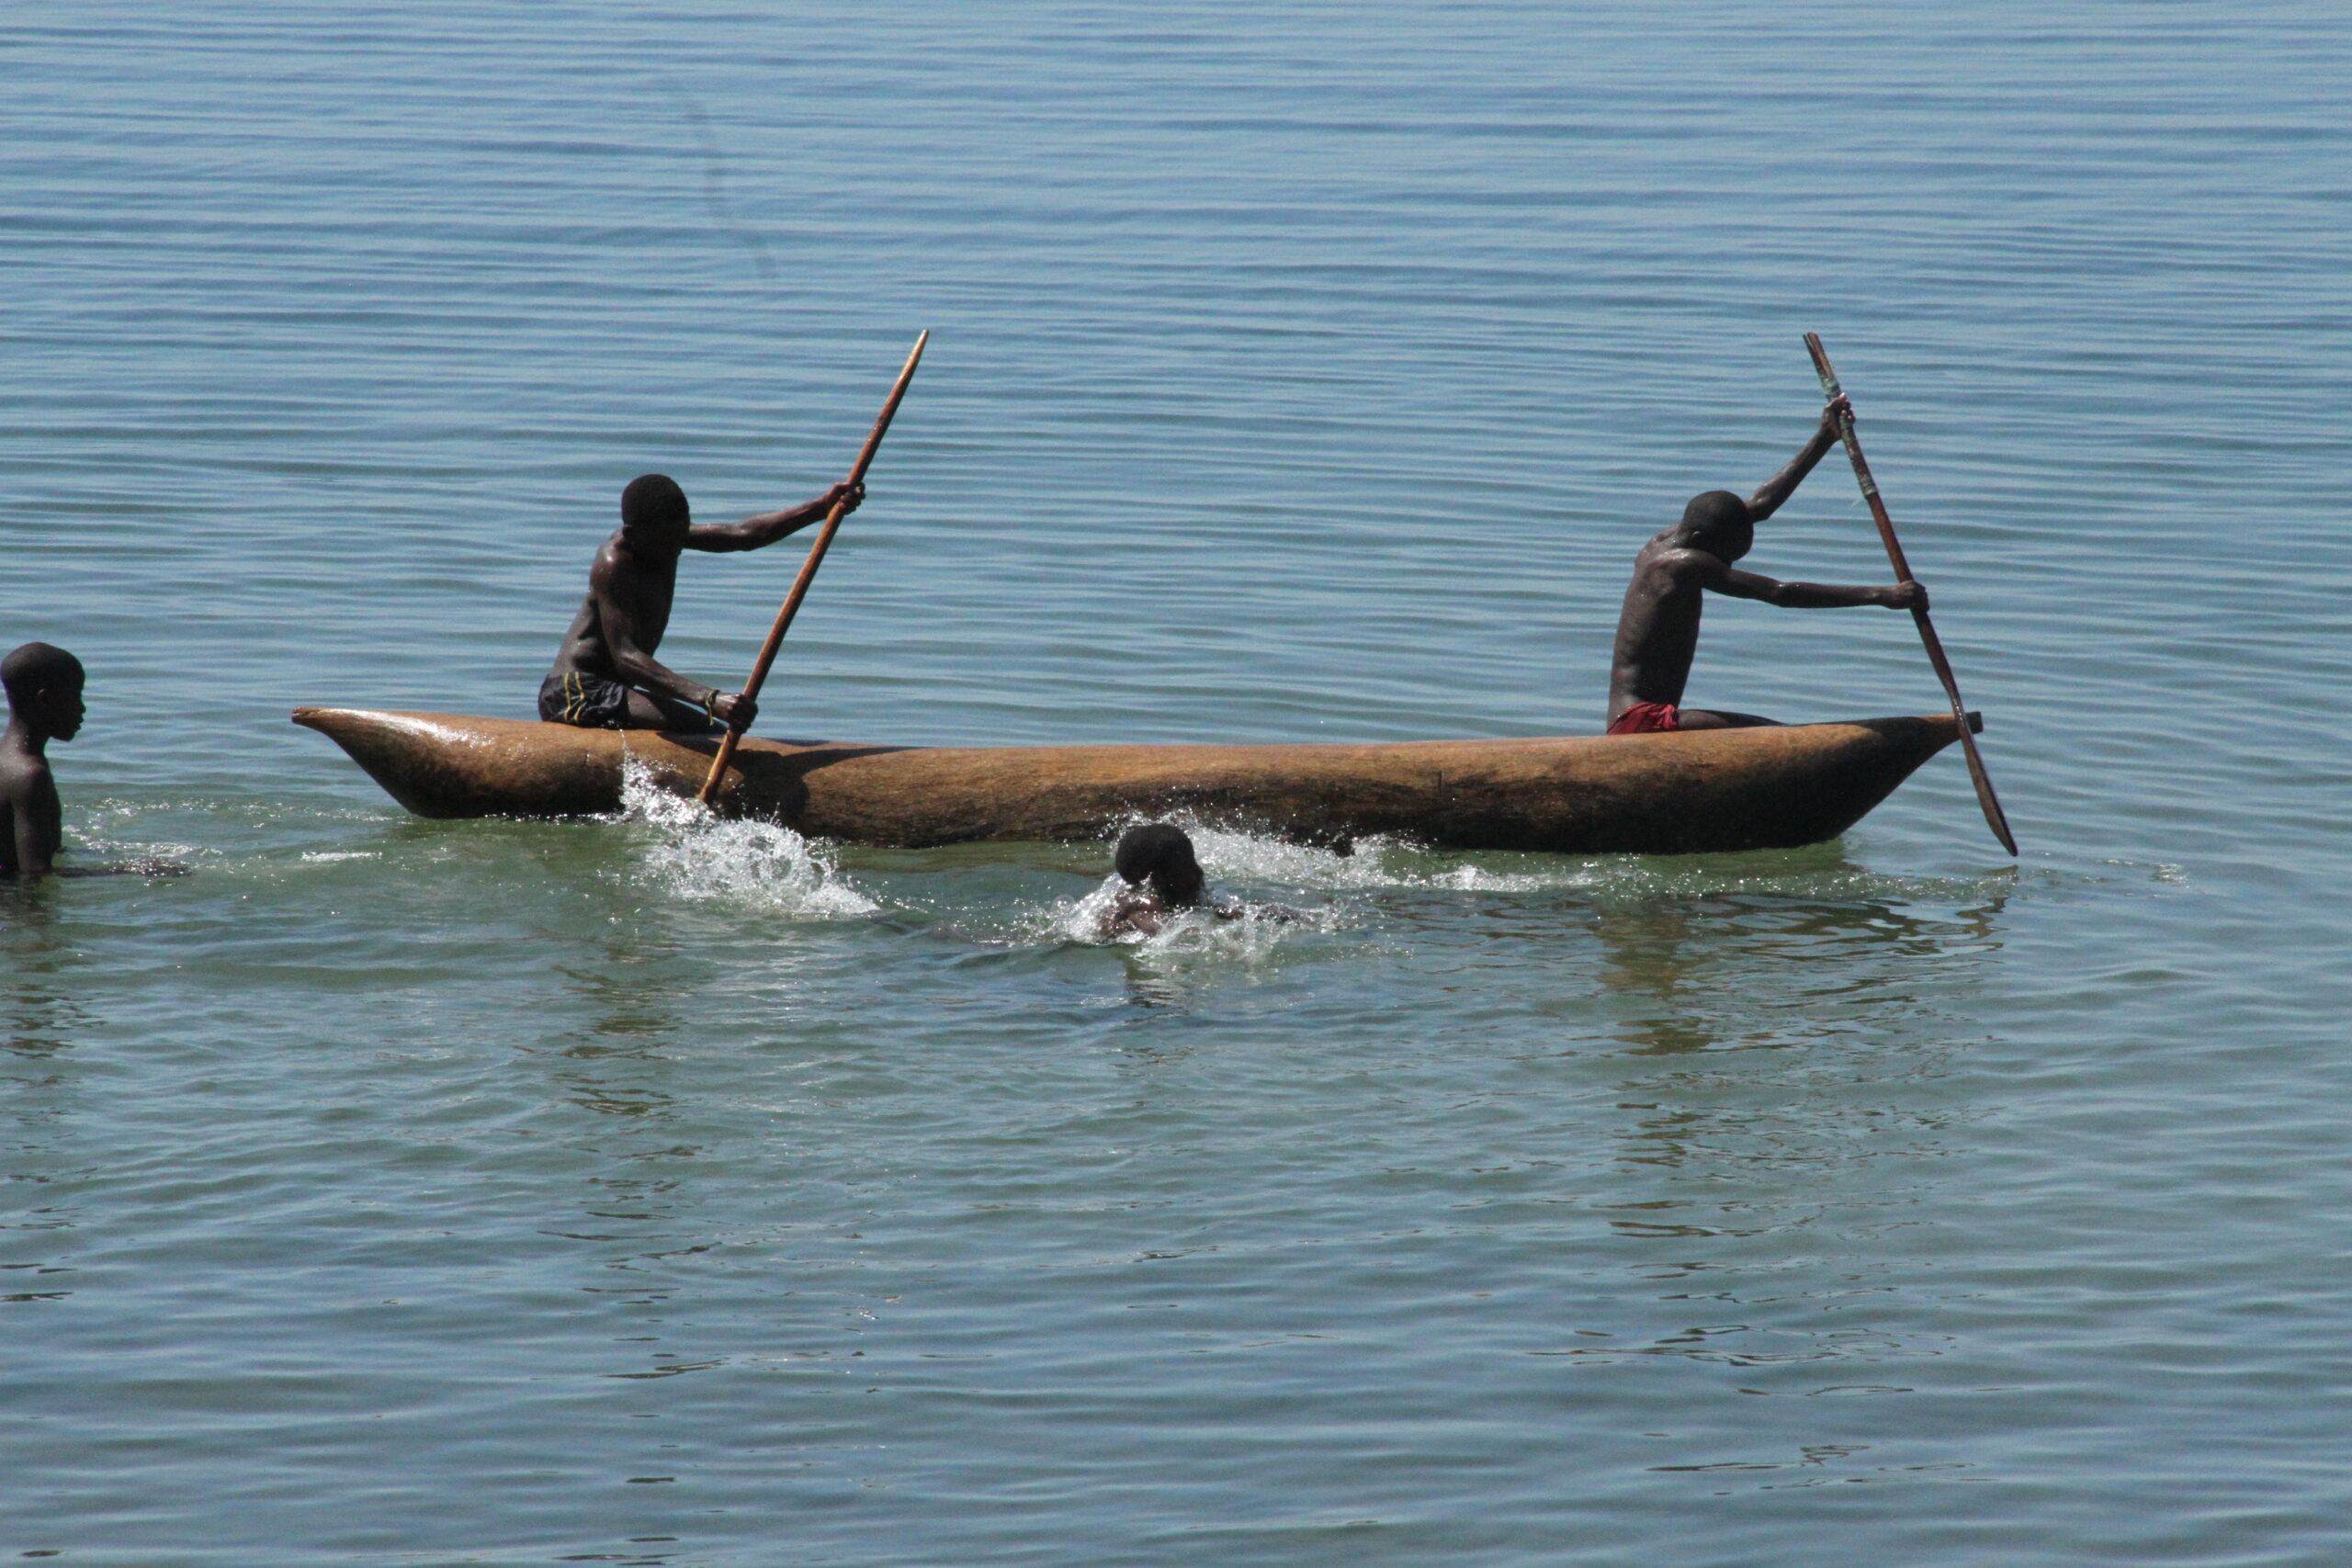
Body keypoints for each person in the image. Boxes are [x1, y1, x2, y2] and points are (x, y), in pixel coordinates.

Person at [1606, 394, 1927, 733]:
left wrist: (1824, 437)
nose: (1724, 565)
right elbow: (1779, 592)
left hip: (1644, 718)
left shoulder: (1668, 542)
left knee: (1772, 732)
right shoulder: (1680, 565)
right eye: (1724, 558)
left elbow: (1760, 506)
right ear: (1699, 544)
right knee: (1776, 735)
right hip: (1643, 722)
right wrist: (1883, 595)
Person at [540, 472, 862, 732]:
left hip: (618, 690)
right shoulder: (614, 564)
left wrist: (822, 508)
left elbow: (746, 534)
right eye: (667, 542)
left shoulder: (669, 537)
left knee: (707, 729)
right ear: (633, 534)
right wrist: (710, 699)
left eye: (681, 536)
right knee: (708, 731)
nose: (676, 549)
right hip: (577, 691)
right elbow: (626, 656)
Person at [1, 642, 85, 877]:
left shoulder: (8, 758)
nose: (83, 709)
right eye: (76, 697)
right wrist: (130, 871)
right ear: (45, 700)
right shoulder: (30, 776)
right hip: (12, 902)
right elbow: (36, 873)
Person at [1100, 824, 1238, 937]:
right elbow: (1169, 933)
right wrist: (1220, 938)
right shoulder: (1145, 908)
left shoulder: (1173, 895)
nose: (1199, 871)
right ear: (1158, 879)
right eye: (1188, 865)